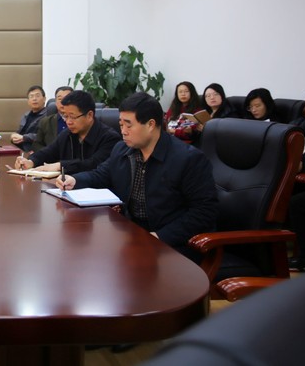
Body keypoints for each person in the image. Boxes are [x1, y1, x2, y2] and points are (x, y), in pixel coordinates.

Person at [56, 92, 218, 260]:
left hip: (172, 243)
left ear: (150, 124)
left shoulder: (188, 159)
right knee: (80, 252)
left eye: (129, 125)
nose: (123, 131)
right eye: (121, 125)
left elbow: (204, 212)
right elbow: (102, 174)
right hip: (132, 234)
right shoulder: (122, 150)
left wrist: (159, 236)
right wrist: (75, 179)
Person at [14, 90, 120, 175]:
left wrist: (60, 166)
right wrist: (31, 161)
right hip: (66, 188)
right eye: (65, 116)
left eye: (73, 117)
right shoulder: (68, 134)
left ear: (89, 115)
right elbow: (49, 152)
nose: (68, 122)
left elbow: (93, 164)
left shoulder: (109, 138)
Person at [30, 86, 73, 151]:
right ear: (55, 102)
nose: (63, 102)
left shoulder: (81, 122)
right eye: (60, 99)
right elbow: (36, 145)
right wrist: (49, 153)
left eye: (67, 98)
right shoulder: (45, 122)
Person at [9, 85, 47, 151]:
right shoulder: (26, 115)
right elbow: (20, 132)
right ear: (28, 101)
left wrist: (24, 137)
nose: (34, 99)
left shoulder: (48, 116)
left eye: (37, 96)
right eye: (31, 96)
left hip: (36, 151)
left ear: (44, 99)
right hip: (22, 149)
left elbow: (44, 136)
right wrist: (14, 136)